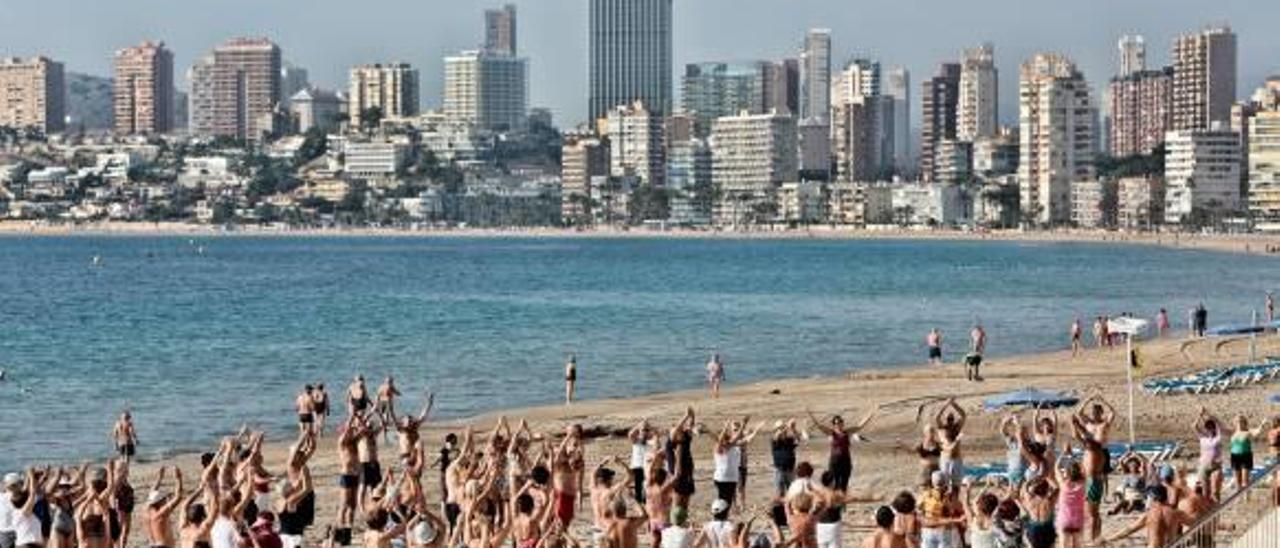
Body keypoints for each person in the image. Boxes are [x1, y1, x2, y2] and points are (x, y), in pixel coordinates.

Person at [1071, 394, 1114, 542]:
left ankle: (1094, 537)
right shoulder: (1089, 428)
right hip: (1091, 468)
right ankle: (1096, 536)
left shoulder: (1102, 428)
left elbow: (1112, 413)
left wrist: (1104, 401)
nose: (1095, 414)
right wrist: (1088, 400)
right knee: (1092, 510)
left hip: (1096, 468)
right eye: (1093, 412)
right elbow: (1079, 417)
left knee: (1092, 512)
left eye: (1097, 412)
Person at [808, 405, 879, 492]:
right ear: (834, 424)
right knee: (834, 483)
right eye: (837, 423)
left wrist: (871, 413)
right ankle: (834, 503)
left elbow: (860, 426)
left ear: (843, 423)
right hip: (835, 461)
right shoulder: (831, 433)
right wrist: (811, 415)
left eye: (840, 422)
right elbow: (819, 426)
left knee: (844, 483)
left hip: (846, 460)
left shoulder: (847, 432)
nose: (839, 424)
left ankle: (842, 504)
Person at [1101, 485, 1191, 548]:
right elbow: (1197, 523)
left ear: (1153, 498)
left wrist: (1110, 538)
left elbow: (1129, 530)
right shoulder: (1176, 513)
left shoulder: (1149, 514)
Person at [918, 471, 962, 548]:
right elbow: (955, 509)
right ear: (945, 482)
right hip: (944, 529)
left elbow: (919, 508)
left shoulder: (926, 494)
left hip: (929, 528)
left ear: (932, 482)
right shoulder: (949, 496)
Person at [146, 466, 185, 548]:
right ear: (160, 502)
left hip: (153, 545)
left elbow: (152, 493)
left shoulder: (147, 511)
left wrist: (159, 478)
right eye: (164, 499)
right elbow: (178, 497)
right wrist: (178, 478)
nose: (166, 500)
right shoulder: (161, 513)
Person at [1054, 454, 1085, 548]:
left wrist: (1062, 456)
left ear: (1068, 473)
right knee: (1077, 545)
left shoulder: (1063, 483)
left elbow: (1056, 468)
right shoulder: (1082, 483)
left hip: (1064, 518)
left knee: (1063, 545)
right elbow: (1085, 469)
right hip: (1078, 519)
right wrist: (1078, 460)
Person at [933, 399, 967, 488]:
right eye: (948, 419)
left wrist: (954, 404)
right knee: (944, 484)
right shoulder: (942, 429)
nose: (950, 421)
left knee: (957, 485)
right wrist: (945, 405)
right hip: (946, 459)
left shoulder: (956, 428)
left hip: (957, 458)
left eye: (951, 419)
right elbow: (937, 417)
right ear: (945, 420)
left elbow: (963, 415)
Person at [1193, 406, 1224, 502]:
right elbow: (1194, 426)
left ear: (1214, 428)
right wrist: (1200, 415)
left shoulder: (1217, 438)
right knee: (1205, 493)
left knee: (1215, 492)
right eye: (1207, 427)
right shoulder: (1202, 438)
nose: (1209, 429)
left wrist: (1208, 414)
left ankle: (1218, 513)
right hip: (1204, 466)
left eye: (1211, 427)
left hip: (1215, 466)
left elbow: (1218, 424)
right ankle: (1208, 513)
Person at [1229, 415, 1264, 494]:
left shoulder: (1248, 431)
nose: (1240, 423)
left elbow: (1256, 432)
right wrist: (1210, 416)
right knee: (1237, 481)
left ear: (1245, 423)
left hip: (1246, 456)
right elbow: (1220, 426)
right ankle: (1238, 498)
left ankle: (1247, 498)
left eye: (1241, 421)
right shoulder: (1233, 432)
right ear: (1235, 423)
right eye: (1238, 421)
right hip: (1235, 457)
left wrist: (1262, 425)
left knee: (1245, 481)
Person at [770, 420, 801, 497]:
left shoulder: (789, 439)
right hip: (779, 469)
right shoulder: (774, 439)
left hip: (790, 469)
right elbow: (777, 436)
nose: (781, 430)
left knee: (792, 492)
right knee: (780, 493)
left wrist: (793, 429)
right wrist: (787, 426)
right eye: (779, 428)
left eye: (782, 428)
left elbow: (798, 439)